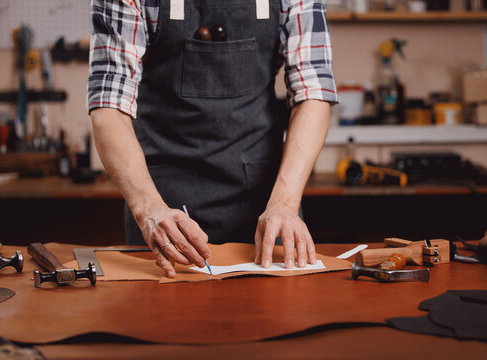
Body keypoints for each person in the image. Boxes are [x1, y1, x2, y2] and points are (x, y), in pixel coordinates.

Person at [87, 0, 338, 278]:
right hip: (162, 204)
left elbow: (313, 93)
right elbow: (109, 105)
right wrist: (148, 208)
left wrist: (285, 204)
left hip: (270, 204)